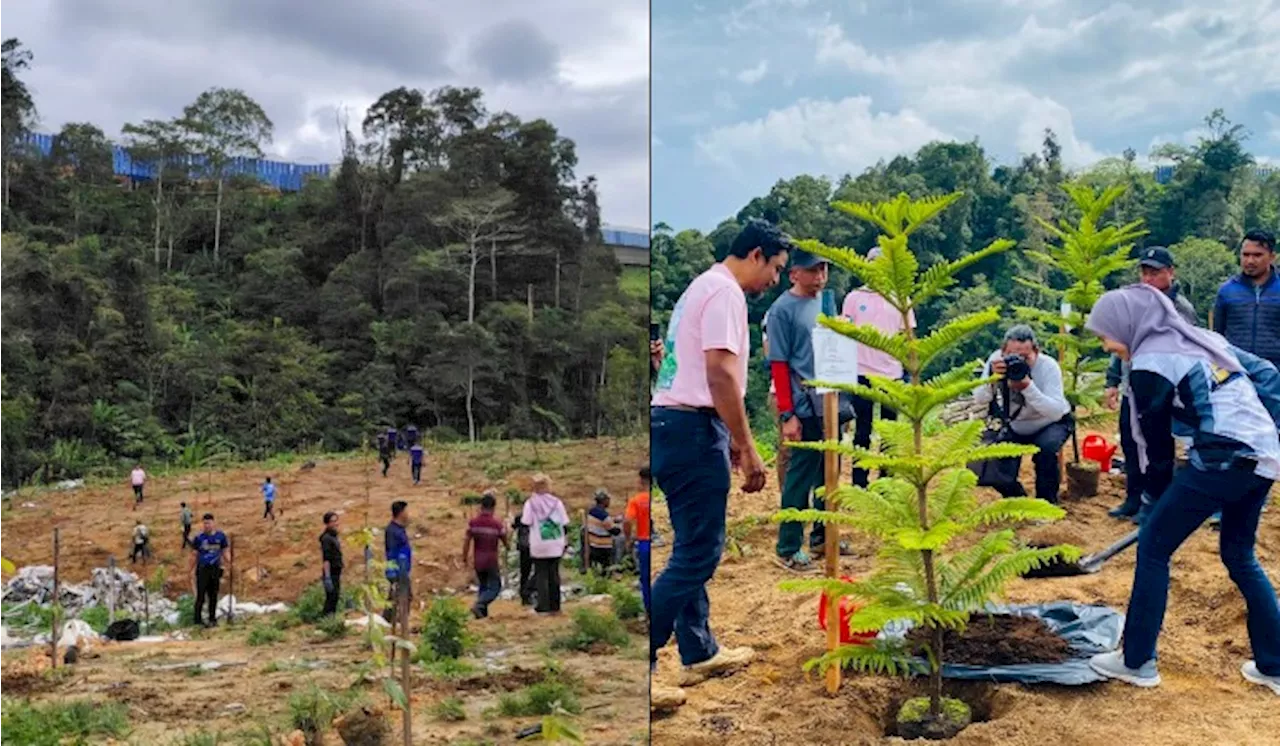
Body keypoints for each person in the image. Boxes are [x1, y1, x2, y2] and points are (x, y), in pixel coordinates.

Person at [1084, 283, 1280, 694]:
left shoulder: (1150, 364)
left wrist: (1154, 501)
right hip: (1262, 455)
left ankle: (1136, 661)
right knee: (1239, 555)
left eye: (1105, 334)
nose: (1105, 345)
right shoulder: (1202, 339)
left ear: (1129, 323)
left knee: (1154, 547)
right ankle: (1274, 665)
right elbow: (1267, 374)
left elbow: (1153, 448)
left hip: (1220, 456)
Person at [650, 217, 789, 693]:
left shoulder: (701, 287)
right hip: (690, 427)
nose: (774, 280)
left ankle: (699, 650)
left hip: (674, 425)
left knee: (691, 540)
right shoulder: (726, 293)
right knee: (699, 552)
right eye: (774, 268)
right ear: (755, 255)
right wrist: (746, 446)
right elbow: (721, 376)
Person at [1103, 246, 1198, 520]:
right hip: (1132, 387)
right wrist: (1112, 380)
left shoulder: (1181, 310)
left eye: (1155, 273)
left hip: (1164, 390)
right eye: (1144, 272)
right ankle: (1133, 497)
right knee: (1131, 444)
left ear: (1170, 273)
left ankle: (1156, 503)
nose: (1148, 279)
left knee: (1158, 448)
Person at [768, 246, 845, 572]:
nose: (820, 277)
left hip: (831, 401)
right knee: (800, 476)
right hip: (804, 404)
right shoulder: (781, 311)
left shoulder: (827, 303)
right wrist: (788, 414)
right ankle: (787, 547)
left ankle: (822, 536)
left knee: (830, 472)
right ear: (794, 273)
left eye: (824, 270)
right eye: (813, 270)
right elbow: (779, 365)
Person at [973, 325, 1073, 504]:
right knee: (996, 464)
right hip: (1014, 424)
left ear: (1036, 351)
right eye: (1012, 356)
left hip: (1049, 423)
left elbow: (1056, 412)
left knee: (1046, 451)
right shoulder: (996, 362)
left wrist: (1027, 387)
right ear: (1003, 351)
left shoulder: (1048, 366)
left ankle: (1046, 504)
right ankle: (1018, 499)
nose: (1019, 362)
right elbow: (980, 399)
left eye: (1025, 357)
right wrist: (992, 379)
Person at [844, 246, 915, 487]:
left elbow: (908, 337)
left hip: (891, 375)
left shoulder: (901, 300)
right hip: (860, 372)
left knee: (889, 433)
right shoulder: (854, 298)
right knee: (862, 430)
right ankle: (859, 482)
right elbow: (845, 332)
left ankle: (886, 483)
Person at [1213, 229, 1280, 368]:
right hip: (1237, 373)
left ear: (1272, 257)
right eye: (1245, 255)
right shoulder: (1227, 291)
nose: (1250, 261)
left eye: (1257, 255)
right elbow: (1218, 336)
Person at [520, 474, 568, 615]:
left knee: (541, 574)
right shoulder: (557, 503)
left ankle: (543, 606)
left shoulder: (530, 503)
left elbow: (526, 522)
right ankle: (555, 606)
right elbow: (565, 522)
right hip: (556, 542)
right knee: (554, 574)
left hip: (539, 543)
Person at [462, 493, 509, 619]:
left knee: (483, 586)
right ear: (493, 507)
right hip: (491, 560)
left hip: (478, 560)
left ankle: (481, 614)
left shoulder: (474, 523)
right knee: (495, 587)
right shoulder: (496, 524)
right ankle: (479, 605)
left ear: (481, 506)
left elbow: (466, 541)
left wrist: (465, 558)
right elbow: (506, 541)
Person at [189, 513, 230, 628]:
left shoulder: (221, 537)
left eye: (209, 523)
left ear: (213, 523)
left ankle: (212, 619)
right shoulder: (199, 538)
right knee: (200, 596)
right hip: (202, 569)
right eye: (205, 523)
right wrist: (190, 570)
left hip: (215, 569)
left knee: (213, 595)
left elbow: (225, 551)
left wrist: (230, 563)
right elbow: (194, 554)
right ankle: (197, 620)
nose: (207, 525)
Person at [625, 466, 652, 616]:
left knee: (646, 580)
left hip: (644, 543)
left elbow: (627, 520)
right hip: (659, 542)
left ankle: (649, 613)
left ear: (641, 480)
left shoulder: (636, 501)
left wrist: (628, 538)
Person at [384, 500, 412, 626]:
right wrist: (392, 569)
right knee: (403, 596)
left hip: (403, 568)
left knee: (396, 596)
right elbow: (391, 551)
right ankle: (400, 623)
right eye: (406, 511)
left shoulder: (400, 529)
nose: (408, 514)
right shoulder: (392, 531)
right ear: (401, 513)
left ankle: (389, 620)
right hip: (398, 569)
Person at [586, 489, 620, 574]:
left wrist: (612, 520)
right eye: (608, 500)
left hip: (593, 544)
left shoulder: (591, 512)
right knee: (605, 569)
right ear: (604, 501)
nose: (609, 502)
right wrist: (619, 526)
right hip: (603, 547)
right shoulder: (604, 516)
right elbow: (615, 531)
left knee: (596, 569)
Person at [320, 511, 344, 617]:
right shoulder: (326, 539)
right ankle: (327, 619)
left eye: (336, 520)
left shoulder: (333, 537)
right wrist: (327, 576)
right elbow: (326, 559)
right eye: (333, 521)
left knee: (335, 596)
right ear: (327, 523)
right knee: (331, 597)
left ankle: (330, 618)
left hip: (336, 570)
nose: (336, 523)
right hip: (331, 571)